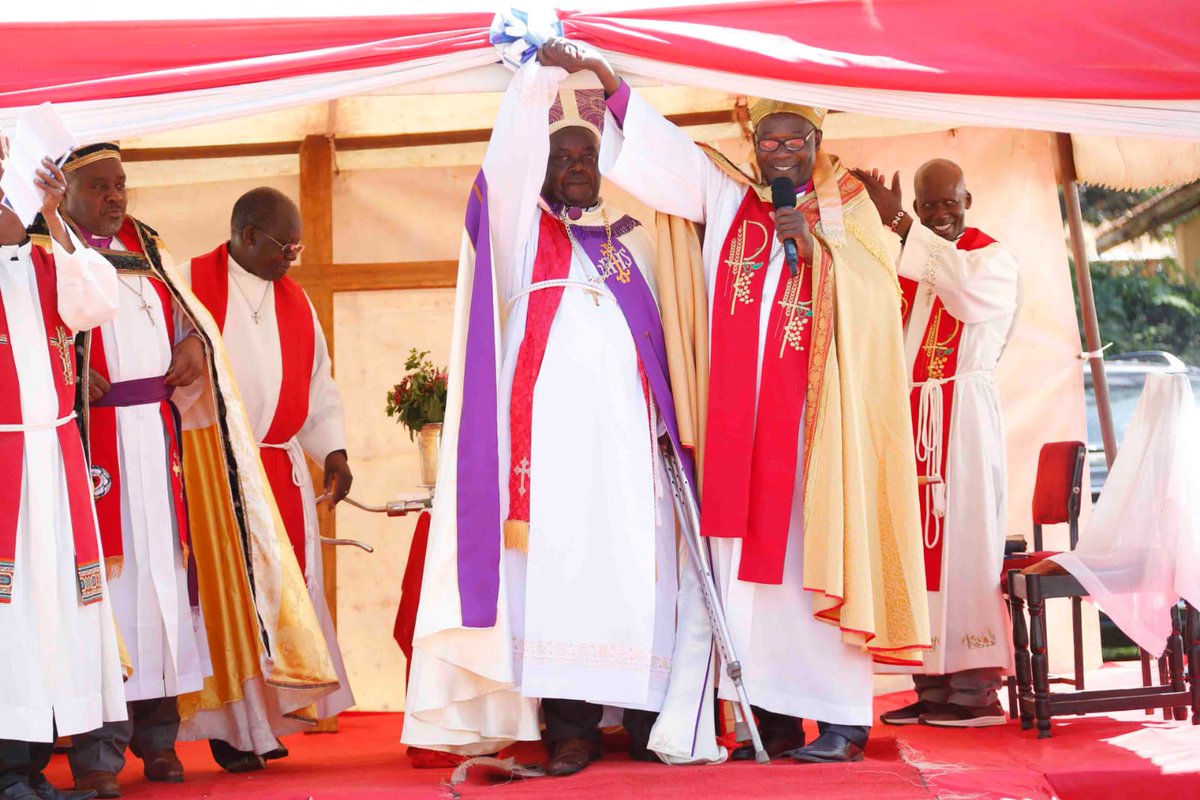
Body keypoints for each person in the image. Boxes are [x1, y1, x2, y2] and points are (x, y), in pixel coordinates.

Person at [540, 38, 931, 764]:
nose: (780, 153)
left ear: (816, 142)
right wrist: (606, 81)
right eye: (768, 141)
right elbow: (661, 156)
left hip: (819, 435)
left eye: (794, 141)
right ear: (752, 143)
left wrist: (816, 253)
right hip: (742, 428)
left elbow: (882, 300)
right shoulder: (728, 195)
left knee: (816, 567)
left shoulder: (847, 206)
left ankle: (842, 721)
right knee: (752, 586)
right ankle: (771, 720)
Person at [402, 62, 687, 776]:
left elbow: (666, 344)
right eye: (561, 157)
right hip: (550, 456)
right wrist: (531, 85)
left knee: (638, 576)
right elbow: (500, 176)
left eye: (586, 155)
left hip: (628, 451)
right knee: (562, 581)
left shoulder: (634, 240)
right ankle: (572, 730)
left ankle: (649, 718)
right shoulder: (521, 235)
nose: (575, 167)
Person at [33, 142, 210, 799]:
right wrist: (67, 372)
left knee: (163, 584)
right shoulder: (44, 247)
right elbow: (31, 337)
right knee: (103, 592)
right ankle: (97, 752)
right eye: (99, 187)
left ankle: (159, 740)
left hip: (156, 436)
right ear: (67, 193)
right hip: (91, 439)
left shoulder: (147, 242)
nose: (115, 197)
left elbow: (188, 318)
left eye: (121, 184)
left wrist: (193, 346)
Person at [175, 187, 354, 771]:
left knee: (277, 601)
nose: (292, 258)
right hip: (216, 470)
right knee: (231, 603)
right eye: (286, 245)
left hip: (278, 467)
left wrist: (333, 450)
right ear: (247, 235)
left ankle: (268, 723)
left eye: (298, 247)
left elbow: (320, 384)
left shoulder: (297, 302)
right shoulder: (187, 285)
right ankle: (232, 731)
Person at [853, 160, 1019, 728]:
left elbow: (964, 290)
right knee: (913, 549)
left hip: (963, 416)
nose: (940, 213)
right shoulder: (916, 258)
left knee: (966, 546)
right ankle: (931, 683)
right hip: (913, 416)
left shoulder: (989, 258)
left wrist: (901, 223)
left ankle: (977, 691)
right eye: (928, 205)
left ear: (967, 199)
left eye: (949, 202)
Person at [0, 150, 125, 800]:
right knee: (9, 618)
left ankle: (30, 767)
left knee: (52, 613)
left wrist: (54, 217)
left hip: (52, 462)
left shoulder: (50, 262)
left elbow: (98, 303)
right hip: (4, 470)